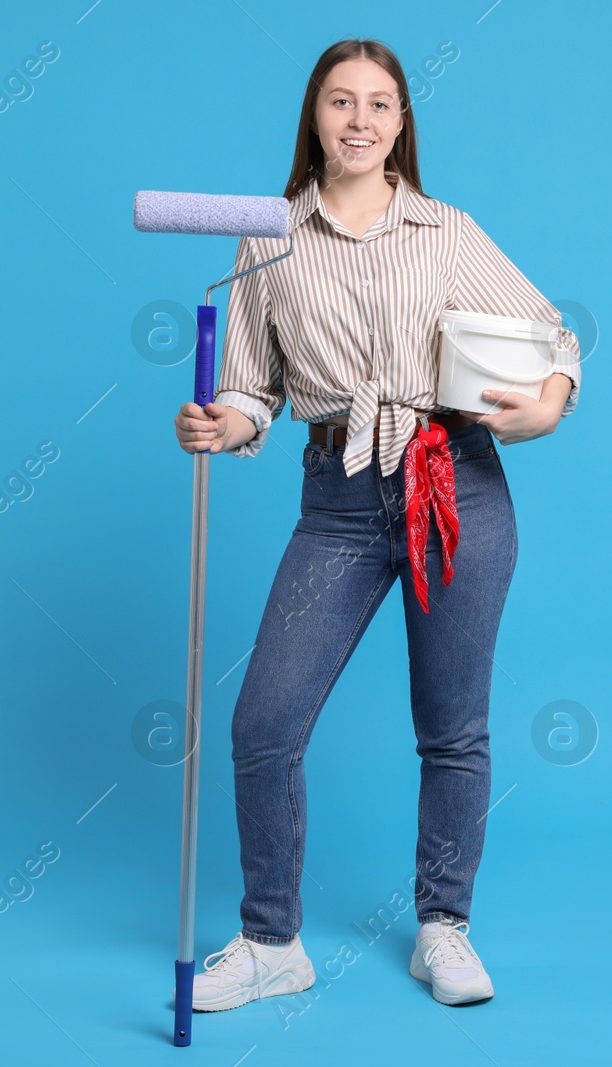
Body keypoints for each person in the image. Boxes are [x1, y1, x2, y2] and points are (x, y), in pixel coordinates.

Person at [172, 37, 580, 1012]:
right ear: (313, 116)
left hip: (454, 486)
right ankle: (272, 940)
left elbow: (548, 332)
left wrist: (546, 400)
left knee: (452, 727)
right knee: (262, 724)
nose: (359, 120)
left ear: (402, 125)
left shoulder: (445, 231)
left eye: (379, 105)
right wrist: (224, 421)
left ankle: (444, 925)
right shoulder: (264, 236)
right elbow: (251, 384)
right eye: (340, 101)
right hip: (340, 503)